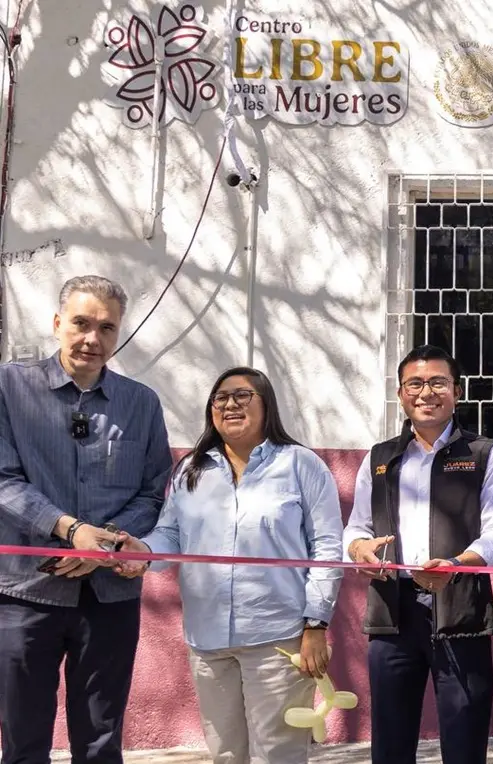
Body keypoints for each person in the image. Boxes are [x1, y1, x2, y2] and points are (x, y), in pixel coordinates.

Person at [118, 367, 344, 763]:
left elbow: (326, 547)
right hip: (207, 641)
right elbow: (171, 536)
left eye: (242, 396)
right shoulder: (192, 469)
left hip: (279, 638)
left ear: (266, 405)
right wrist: (141, 554)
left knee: (279, 753)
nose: (229, 405)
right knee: (225, 754)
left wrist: (316, 625)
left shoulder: (300, 465)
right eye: (220, 398)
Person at [0, 275, 172, 763]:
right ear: (57, 324)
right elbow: (3, 479)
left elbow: (153, 491)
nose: (92, 339)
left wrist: (105, 547)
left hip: (109, 596)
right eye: (81, 323)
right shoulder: (9, 386)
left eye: (107, 328)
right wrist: (71, 531)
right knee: (23, 737)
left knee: (100, 740)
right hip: (25, 594)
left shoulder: (141, 404)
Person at [343, 345, 493, 764]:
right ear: (401, 394)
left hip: (460, 608)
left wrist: (457, 566)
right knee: (390, 740)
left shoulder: (484, 454)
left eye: (438, 382)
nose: (426, 392)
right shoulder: (380, 457)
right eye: (415, 384)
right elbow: (357, 527)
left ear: (456, 391)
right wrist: (358, 550)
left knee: (464, 735)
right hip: (392, 611)